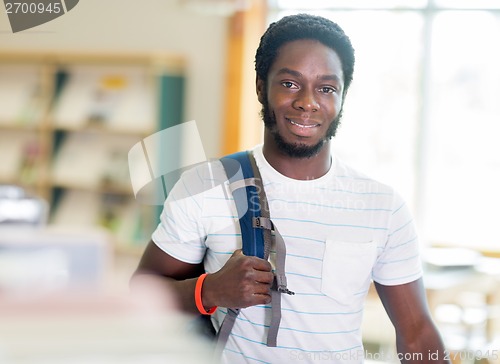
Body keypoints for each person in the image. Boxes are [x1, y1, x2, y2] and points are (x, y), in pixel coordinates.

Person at [132, 13, 450, 363]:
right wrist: (208, 290)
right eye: (290, 84)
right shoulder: (205, 186)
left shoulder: (382, 206)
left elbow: (417, 332)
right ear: (260, 86)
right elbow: (140, 296)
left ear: (342, 96)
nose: (308, 102)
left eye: (326, 88)